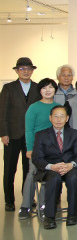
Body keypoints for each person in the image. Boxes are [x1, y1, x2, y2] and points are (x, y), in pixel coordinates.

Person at [32, 105, 77, 229]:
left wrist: (71, 165)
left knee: (74, 178)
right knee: (54, 179)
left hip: (68, 167)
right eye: (56, 116)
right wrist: (52, 166)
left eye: (62, 116)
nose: (59, 119)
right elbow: (37, 158)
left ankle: (72, 214)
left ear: (67, 118)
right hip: (50, 169)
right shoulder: (41, 135)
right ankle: (49, 217)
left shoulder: (74, 133)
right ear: (50, 118)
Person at [0, 57, 40, 211]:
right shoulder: (8, 88)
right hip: (12, 135)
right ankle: (9, 201)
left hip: (31, 136)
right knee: (10, 169)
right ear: (17, 71)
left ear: (32, 71)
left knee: (29, 169)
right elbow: (2, 112)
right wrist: (4, 133)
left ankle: (28, 198)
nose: (26, 71)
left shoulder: (37, 88)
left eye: (28, 69)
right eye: (22, 69)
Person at [19, 78, 61, 219]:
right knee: (32, 173)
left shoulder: (58, 107)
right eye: (44, 88)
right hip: (37, 148)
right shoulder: (33, 108)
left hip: (54, 149)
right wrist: (29, 148)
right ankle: (25, 206)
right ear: (40, 91)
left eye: (50, 87)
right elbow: (29, 130)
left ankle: (44, 205)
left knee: (48, 174)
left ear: (55, 90)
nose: (47, 90)